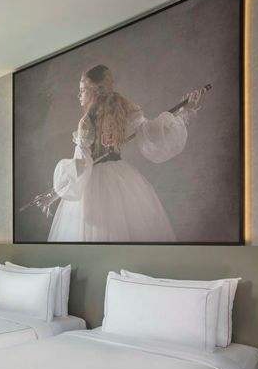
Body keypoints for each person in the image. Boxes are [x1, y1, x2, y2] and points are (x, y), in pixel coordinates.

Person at [42, 64, 205, 242]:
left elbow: (81, 166)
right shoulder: (125, 107)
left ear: (94, 90)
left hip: (93, 185)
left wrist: (56, 192)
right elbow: (152, 133)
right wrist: (183, 111)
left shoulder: (86, 121)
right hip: (121, 178)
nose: (78, 95)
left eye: (82, 90)